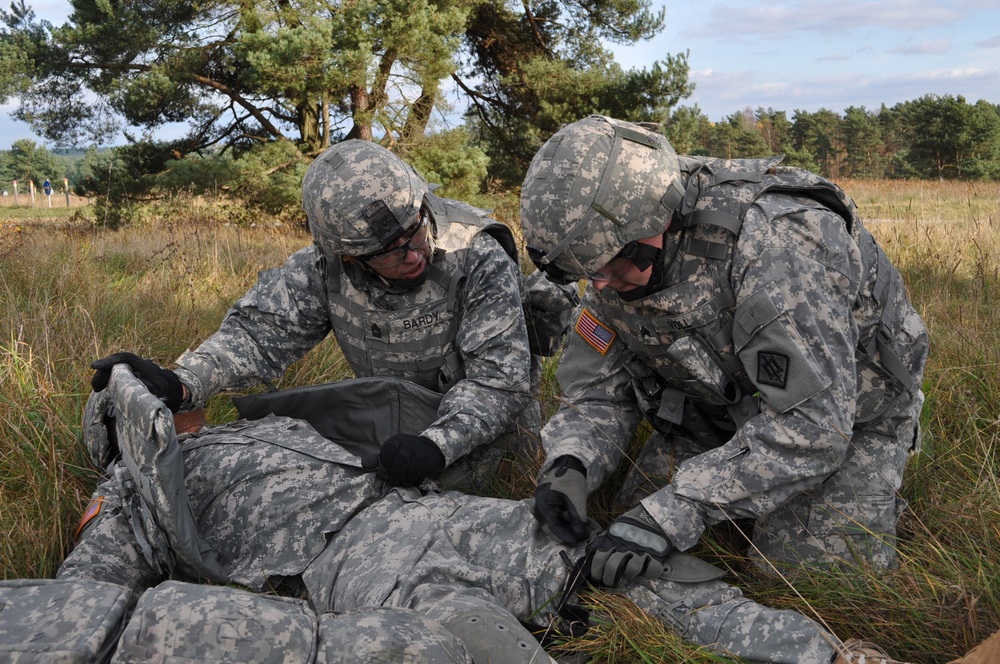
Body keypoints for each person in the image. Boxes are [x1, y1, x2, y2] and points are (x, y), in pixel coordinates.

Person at [37, 364, 907, 664]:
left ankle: (820, 653)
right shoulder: (134, 494)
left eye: (172, 398)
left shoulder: (264, 425)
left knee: (619, 561)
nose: (181, 410)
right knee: (472, 638)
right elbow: (84, 604)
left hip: (426, 513)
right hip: (345, 572)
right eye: (156, 408)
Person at [521, 115, 928, 585]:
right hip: (713, 413)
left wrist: (672, 511)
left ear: (654, 217)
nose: (598, 285)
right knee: (615, 547)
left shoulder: (776, 243)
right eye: (586, 273)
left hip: (846, 419)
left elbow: (816, 428)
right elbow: (597, 395)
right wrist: (570, 464)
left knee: (805, 577)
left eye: (611, 266)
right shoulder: (607, 253)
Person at [89, 139, 575, 491]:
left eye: (416, 231)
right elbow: (259, 336)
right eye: (389, 251)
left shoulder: (477, 254)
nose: (413, 255)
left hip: (483, 436)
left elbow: (499, 385)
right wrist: (183, 384)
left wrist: (438, 445)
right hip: (390, 427)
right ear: (349, 256)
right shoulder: (325, 267)